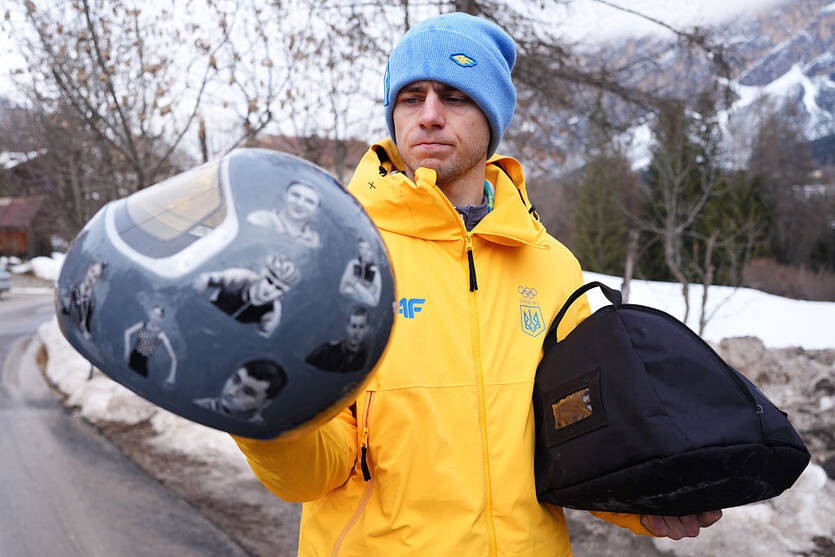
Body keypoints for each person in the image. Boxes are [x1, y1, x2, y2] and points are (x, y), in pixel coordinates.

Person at [232, 13, 722, 555]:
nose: (429, 116)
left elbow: (573, 439)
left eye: (455, 96)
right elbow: (310, 475)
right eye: (411, 98)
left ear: (492, 116)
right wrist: (260, 417)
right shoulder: (338, 253)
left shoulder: (551, 266)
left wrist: (644, 502)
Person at [194, 254, 299, 337]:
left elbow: (261, 339)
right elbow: (204, 279)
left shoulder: (273, 313)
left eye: (278, 288)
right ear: (262, 274)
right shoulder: (240, 278)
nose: (270, 290)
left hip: (223, 341)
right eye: (269, 281)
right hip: (199, 320)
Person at [195, 359, 287, 423]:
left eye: (247, 392)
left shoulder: (261, 433)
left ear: (265, 403)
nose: (232, 392)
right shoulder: (197, 408)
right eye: (235, 380)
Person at [247, 181, 322, 248]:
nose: (300, 203)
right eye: (296, 195)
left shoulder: (313, 238)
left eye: (309, 201)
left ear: (316, 210)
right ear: (285, 196)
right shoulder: (261, 219)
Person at [123, 305, 178, 386]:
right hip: (131, 360)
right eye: (154, 313)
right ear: (150, 313)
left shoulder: (161, 335)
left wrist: (171, 377)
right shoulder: (142, 325)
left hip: (143, 365)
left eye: (158, 316)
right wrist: (127, 350)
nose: (155, 317)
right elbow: (127, 333)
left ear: (161, 320)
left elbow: (173, 358)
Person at [305, 306, 371, 372]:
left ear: (367, 329)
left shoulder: (368, 359)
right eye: (353, 326)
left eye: (361, 327)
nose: (356, 332)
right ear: (347, 326)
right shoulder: (326, 351)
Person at [338, 238, 383, 306]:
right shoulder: (352, 264)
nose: (365, 252)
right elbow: (343, 289)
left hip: (368, 308)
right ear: (358, 250)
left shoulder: (375, 270)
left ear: (372, 251)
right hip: (350, 306)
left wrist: (355, 284)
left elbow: (374, 301)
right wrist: (365, 291)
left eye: (367, 249)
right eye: (362, 248)